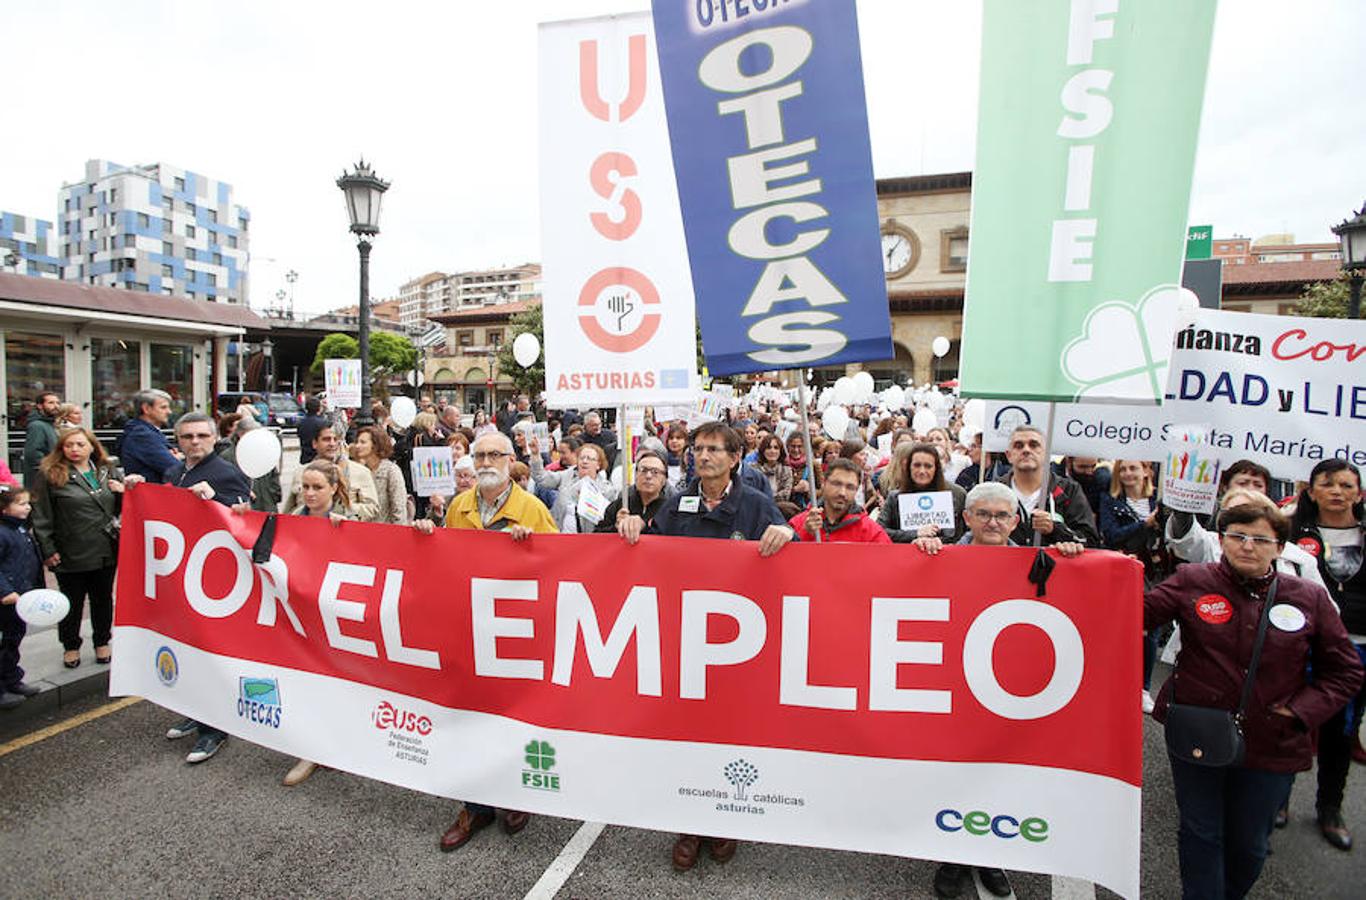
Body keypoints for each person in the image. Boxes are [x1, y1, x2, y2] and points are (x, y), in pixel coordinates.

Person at [1146, 501, 1362, 900]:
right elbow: (1134, 615)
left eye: (1260, 539)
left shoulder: (1308, 597)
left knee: (1249, 845)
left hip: (1273, 741)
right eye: (1237, 536)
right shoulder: (1192, 580)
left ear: (1280, 547)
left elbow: (1346, 670)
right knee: (1200, 831)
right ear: (1222, 540)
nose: (1247, 546)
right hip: (1198, 731)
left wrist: (1299, 712)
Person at [616, 421, 793, 872]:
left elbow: (791, 559)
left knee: (732, 731)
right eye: (698, 449)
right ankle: (690, 824)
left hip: (738, 646)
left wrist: (789, 534)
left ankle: (726, 821)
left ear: (736, 457)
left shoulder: (756, 504)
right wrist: (636, 524)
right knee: (690, 734)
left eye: (714, 449)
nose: (704, 456)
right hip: (689, 642)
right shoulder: (680, 502)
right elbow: (653, 547)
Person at [912, 481, 1082, 899]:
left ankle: (991, 855)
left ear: (1015, 520)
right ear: (966, 518)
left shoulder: (1034, 561)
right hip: (952, 683)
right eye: (983, 514)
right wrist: (919, 552)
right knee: (955, 771)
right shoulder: (940, 555)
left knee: (1001, 772)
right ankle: (952, 855)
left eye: (1002, 515)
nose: (993, 522)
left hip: (1006, 688)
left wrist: (1072, 551)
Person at [414, 431, 555, 850]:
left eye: (496, 454)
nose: (487, 461)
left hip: (514, 631)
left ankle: (515, 793)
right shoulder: (459, 506)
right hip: (470, 628)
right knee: (471, 716)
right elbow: (445, 561)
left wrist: (532, 548)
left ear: (512, 460)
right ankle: (475, 806)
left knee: (512, 714)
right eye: (480, 455)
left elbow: (560, 568)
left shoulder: (531, 508)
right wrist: (426, 534)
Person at [1288, 459, 1365, 851]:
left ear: (1359, 493)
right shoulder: (1290, 532)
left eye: (1347, 485)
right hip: (1299, 642)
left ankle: (1330, 808)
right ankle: (1277, 799)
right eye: (1328, 484)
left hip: (1357, 647)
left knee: (1341, 730)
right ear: (1312, 491)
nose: (1337, 491)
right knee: (1288, 720)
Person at [276, 459, 356, 785]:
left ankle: (342, 742)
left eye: (316, 487)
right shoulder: (290, 520)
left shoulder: (351, 520)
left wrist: (347, 533)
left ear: (334, 489)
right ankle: (311, 750)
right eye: (304, 487)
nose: (309, 494)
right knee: (309, 679)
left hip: (338, 615)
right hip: (303, 614)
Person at [30, 427, 124, 669]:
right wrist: (48, 550)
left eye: (80, 444)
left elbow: (121, 510)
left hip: (105, 548)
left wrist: (123, 493)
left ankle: (102, 642)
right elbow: (41, 516)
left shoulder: (106, 470)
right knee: (71, 602)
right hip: (70, 549)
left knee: (102, 599)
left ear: (92, 446)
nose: (74, 449)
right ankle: (70, 646)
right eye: (68, 445)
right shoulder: (50, 474)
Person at [996, 426, 1099, 548]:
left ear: (1046, 453)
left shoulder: (1069, 490)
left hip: (1053, 567)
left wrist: (1055, 529)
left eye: (1034, 445)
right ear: (1008, 455)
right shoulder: (994, 491)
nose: (1026, 450)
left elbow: (1090, 541)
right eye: (1018, 446)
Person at [0, 485, 44, 709]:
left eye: (28, 503)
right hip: (7, 599)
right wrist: (5, 591)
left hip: (21, 597)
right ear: (4, 509)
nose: (27, 507)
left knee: (14, 639)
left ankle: (12, 679)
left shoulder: (20, 530)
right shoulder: (3, 533)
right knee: (4, 643)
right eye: (21, 503)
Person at [283, 424, 379, 521]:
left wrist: (343, 511)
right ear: (315, 443)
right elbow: (288, 511)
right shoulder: (301, 472)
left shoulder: (360, 471)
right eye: (326, 439)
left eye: (335, 439)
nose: (332, 444)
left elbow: (372, 508)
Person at [879, 442, 967, 543]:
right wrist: (915, 533)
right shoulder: (894, 498)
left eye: (928, 466)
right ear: (908, 467)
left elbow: (964, 532)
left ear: (936, 469)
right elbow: (879, 531)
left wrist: (937, 541)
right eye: (917, 465)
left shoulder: (957, 494)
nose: (922, 471)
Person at [528, 438, 618, 533]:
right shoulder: (566, 475)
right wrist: (535, 455)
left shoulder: (607, 490)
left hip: (589, 540)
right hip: (561, 535)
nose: (584, 461)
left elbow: (609, 520)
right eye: (582, 458)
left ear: (598, 464)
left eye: (590, 458)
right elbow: (541, 478)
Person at [791, 458, 890, 543]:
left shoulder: (871, 532)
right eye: (836, 484)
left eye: (850, 487)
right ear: (824, 483)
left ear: (857, 490)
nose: (842, 492)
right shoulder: (799, 523)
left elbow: (889, 561)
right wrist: (804, 533)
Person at [596, 448, 671, 534]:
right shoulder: (619, 506)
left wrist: (644, 526)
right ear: (635, 475)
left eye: (655, 472)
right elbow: (597, 537)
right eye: (643, 470)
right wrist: (616, 527)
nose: (648, 476)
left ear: (664, 479)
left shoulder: (669, 510)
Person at [351, 425, 410, 525]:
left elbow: (398, 507)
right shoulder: (358, 470)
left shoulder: (391, 471)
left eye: (363, 442)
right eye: (357, 442)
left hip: (385, 532)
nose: (357, 446)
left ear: (376, 445)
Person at [119, 389, 177, 483]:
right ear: (146, 409)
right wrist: (176, 457)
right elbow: (174, 468)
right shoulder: (142, 436)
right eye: (163, 407)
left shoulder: (148, 432)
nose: (169, 412)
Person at [22, 391, 61, 485]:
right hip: (41, 479)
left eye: (57, 403)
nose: (56, 406)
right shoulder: (37, 425)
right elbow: (33, 453)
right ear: (40, 406)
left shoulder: (49, 424)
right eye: (51, 403)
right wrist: (49, 470)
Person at [753, 434, 793, 505]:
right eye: (768, 448)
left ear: (780, 451)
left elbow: (786, 494)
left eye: (776, 448)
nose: (772, 451)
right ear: (763, 450)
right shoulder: (753, 469)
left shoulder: (786, 470)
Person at [296, 395, 329, 464]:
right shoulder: (323, 423)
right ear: (319, 408)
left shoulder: (301, 422)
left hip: (305, 457)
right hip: (318, 457)